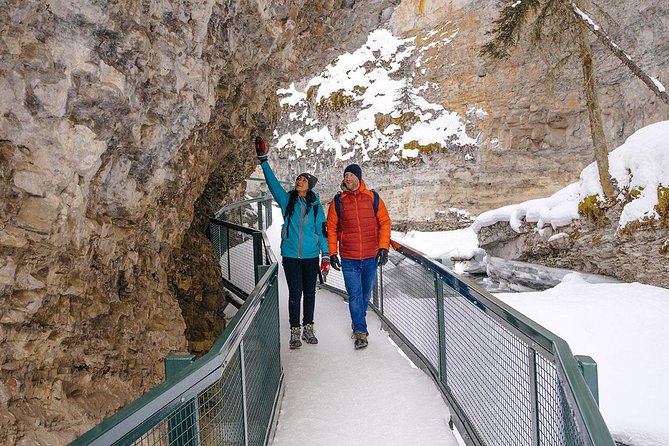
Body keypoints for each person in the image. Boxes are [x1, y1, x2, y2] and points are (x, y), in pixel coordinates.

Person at [255, 136, 330, 349]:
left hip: (309, 256)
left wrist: (325, 255)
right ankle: (295, 331)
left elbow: (321, 231)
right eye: (298, 179)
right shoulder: (287, 200)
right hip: (290, 256)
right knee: (296, 293)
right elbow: (273, 184)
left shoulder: (315, 206)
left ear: (310, 186)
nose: (298, 182)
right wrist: (263, 160)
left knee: (310, 292)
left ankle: (309, 328)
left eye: (303, 180)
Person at [326, 163, 391, 349]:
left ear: (358, 178)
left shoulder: (373, 198)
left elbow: (385, 223)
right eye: (345, 175)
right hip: (349, 258)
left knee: (365, 295)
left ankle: (357, 321)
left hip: (370, 256)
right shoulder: (338, 201)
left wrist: (383, 247)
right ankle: (360, 332)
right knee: (355, 295)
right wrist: (332, 253)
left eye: (351, 175)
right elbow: (331, 229)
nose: (347, 178)